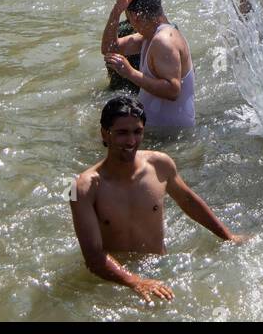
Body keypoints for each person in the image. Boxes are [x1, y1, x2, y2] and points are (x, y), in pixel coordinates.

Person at [70, 97, 246, 302]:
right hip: (115, 282)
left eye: (137, 132)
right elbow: (93, 257)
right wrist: (135, 282)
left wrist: (228, 236)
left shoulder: (160, 165)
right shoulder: (82, 188)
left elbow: (188, 201)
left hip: (162, 267)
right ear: (104, 134)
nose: (131, 141)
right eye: (122, 133)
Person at [102, 0, 195, 128]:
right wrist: (116, 11)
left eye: (128, 17)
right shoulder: (148, 37)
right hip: (155, 131)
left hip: (169, 138)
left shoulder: (164, 41)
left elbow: (173, 90)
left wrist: (129, 72)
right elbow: (109, 48)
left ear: (135, 17)